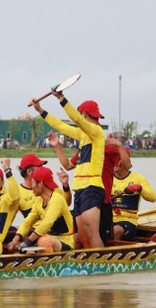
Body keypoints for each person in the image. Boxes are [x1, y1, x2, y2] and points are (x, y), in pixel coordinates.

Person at [31, 93, 107, 249]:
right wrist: (40, 111)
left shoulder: (97, 132)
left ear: (84, 114)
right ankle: (82, 261)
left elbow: (76, 120)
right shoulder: (83, 135)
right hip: (79, 188)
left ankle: (100, 262)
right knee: (81, 235)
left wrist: (61, 99)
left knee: (91, 232)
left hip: (92, 186)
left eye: (80, 114)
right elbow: (61, 126)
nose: (79, 118)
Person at [46, 128, 128, 246]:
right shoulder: (84, 148)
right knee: (81, 237)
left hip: (102, 199)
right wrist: (57, 146)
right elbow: (68, 165)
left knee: (100, 238)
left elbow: (126, 166)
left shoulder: (108, 148)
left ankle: (102, 257)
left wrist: (119, 146)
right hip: (83, 197)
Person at [6, 166, 75, 254]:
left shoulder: (57, 199)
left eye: (33, 183)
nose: (31, 187)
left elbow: (47, 222)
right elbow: (27, 223)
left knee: (44, 241)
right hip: (48, 237)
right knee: (27, 248)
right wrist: (15, 240)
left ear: (40, 184)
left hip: (65, 241)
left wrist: (27, 242)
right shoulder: (39, 201)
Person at [111, 151, 156, 241]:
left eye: (118, 159)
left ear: (126, 162)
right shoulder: (107, 177)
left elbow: (153, 197)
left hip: (128, 221)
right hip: (108, 219)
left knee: (115, 231)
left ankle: (116, 249)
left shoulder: (138, 178)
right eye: (113, 158)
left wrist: (140, 188)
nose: (114, 162)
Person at [15, 153, 48, 218]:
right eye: (40, 167)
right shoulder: (17, 193)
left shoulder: (48, 184)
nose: (43, 169)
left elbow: (66, 203)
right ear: (30, 172)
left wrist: (65, 186)